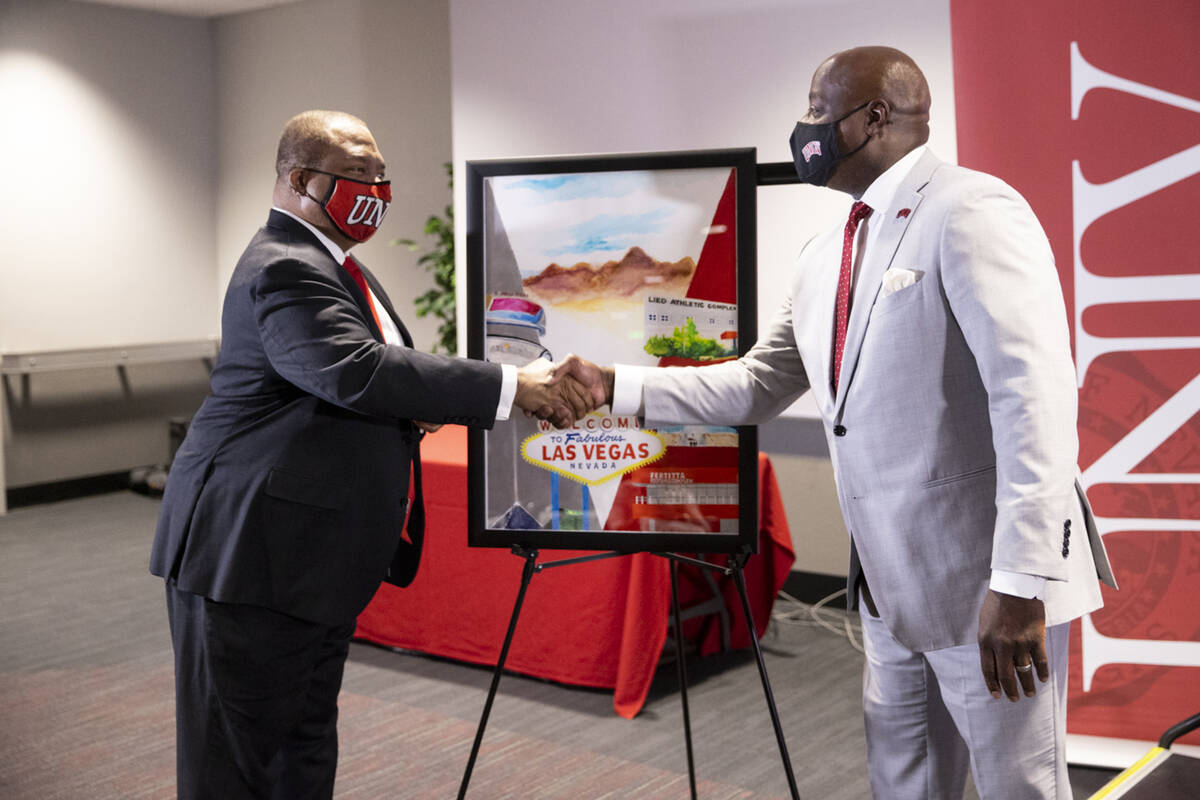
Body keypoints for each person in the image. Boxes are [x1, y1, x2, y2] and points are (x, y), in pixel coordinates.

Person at [569, 47, 1117, 799]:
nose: (805, 129)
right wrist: (611, 385)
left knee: (1017, 787)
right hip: (890, 587)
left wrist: (1021, 582)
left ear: (874, 118)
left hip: (986, 586)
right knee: (903, 781)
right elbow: (758, 384)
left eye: (817, 110)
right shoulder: (822, 251)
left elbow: (1035, 398)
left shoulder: (972, 209)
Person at [149, 110, 600, 799]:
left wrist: (491, 394)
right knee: (234, 766)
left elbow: (385, 382)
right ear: (301, 179)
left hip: (304, 563)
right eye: (359, 174)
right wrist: (516, 386)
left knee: (299, 748)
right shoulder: (285, 268)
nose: (378, 189)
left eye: (382, 175)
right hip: (246, 561)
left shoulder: (339, 269)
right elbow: (355, 371)